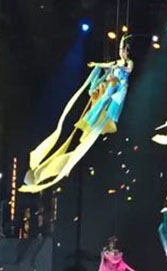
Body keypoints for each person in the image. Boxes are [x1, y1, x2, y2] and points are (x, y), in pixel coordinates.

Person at [21, 35, 133, 192]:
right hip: (111, 87)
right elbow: (106, 66)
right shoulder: (114, 66)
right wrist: (97, 65)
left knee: (107, 100)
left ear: (127, 51)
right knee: (102, 99)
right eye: (120, 50)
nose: (121, 53)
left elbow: (128, 70)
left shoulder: (127, 63)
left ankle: (100, 115)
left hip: (120, 86)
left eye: (123, 50)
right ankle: (46, 171)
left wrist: (117, 70)